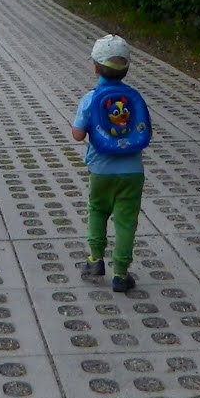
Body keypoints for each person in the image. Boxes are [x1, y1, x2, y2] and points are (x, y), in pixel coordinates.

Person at [70, 33, 150, 292]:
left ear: (95, 67)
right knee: (126, 222)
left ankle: (94, 261)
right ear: (126, 68)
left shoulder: (90, 98)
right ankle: (121, 273)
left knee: (97, 212)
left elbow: (78, 134)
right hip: (133, 173)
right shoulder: (134, 97)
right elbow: (143, 130)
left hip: (101, 170)